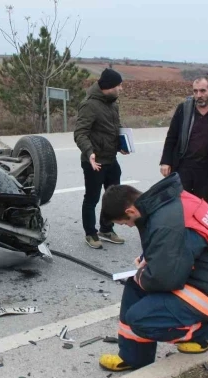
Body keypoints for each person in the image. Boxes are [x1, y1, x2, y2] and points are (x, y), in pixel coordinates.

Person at [97, 175, 208, 371]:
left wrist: (143, 273)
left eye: (125, 222)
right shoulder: (165, 203)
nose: (129, 226)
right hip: (201, 276)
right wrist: (147, 262)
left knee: (141, 320)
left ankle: (206, 330)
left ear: (130, 210)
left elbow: (165, 279)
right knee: (134, 286)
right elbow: (172, 249)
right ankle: (134, 357)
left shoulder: (168, 222)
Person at [74, 68, 128, 249]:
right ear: (109, 86)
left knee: (112, 198)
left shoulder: (112, 103)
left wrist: (122, 145)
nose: (121, 88)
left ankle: (106, 229)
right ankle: (91, 233)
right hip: (94, 162)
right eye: (119, 85)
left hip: (111, 159)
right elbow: (80, 133)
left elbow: (115, 127)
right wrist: (89, 153)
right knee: (92, 199)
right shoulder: (89, 105)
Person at [159, 76, 208, 206]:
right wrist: (166, 161)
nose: (198, 95)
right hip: (184, 165)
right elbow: (172, 136)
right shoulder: (184, 108)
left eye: (203, 91)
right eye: (195, 91)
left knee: (203, 206)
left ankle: (200, 227)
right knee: (181, 204)